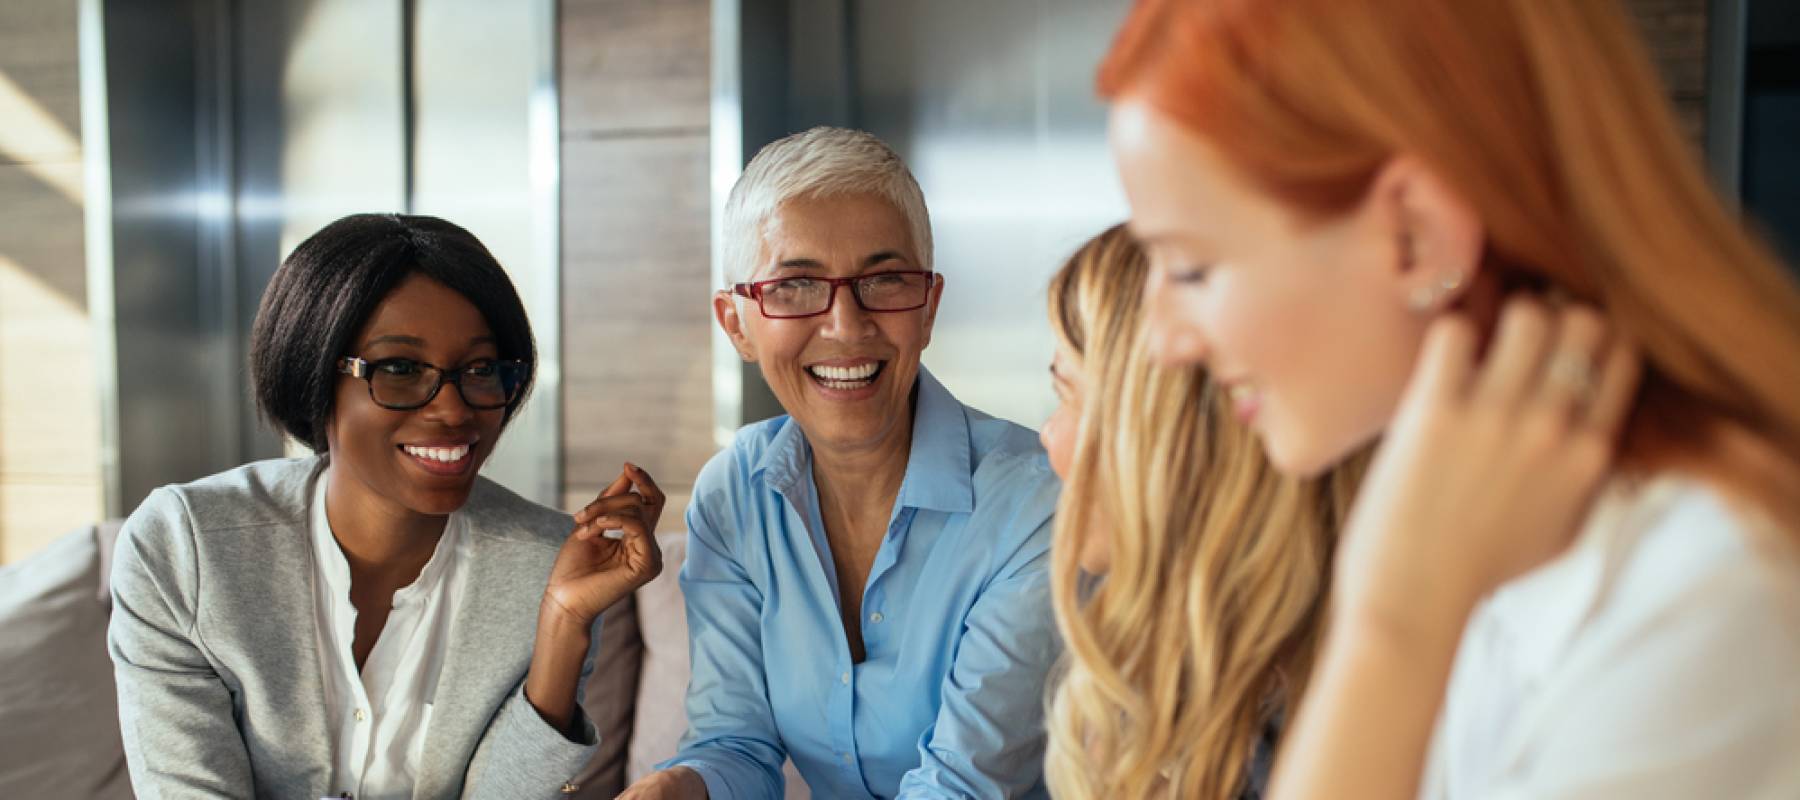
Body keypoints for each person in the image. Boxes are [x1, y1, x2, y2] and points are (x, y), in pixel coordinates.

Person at [1098, 0, 1800, 797]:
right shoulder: (1502, 522)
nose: (1162, 342)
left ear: (1416, 232)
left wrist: (1393, 629)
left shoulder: (1709, 601)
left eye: (1190, 268)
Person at [108, 213, 665, 799]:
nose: (453, 410)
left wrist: (563, 624)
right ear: (314, 376)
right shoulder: (183, 549)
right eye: (399, 369)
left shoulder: (550, 565)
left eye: (480, 370)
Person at [621, 127, 1062, 800]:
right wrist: (678, 787)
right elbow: (734, 745)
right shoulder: (732, 495)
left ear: (930, 306)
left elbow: (964, 787)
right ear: (736, 322)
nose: (846, 325)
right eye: (795, 284)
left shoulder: (1034, 502)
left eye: (884, 279)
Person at [1037, 224, 1364, 799]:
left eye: (1068, 395)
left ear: (1164, 443)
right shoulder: (1186, 691)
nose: (1046, 434)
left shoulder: (1308, 740)